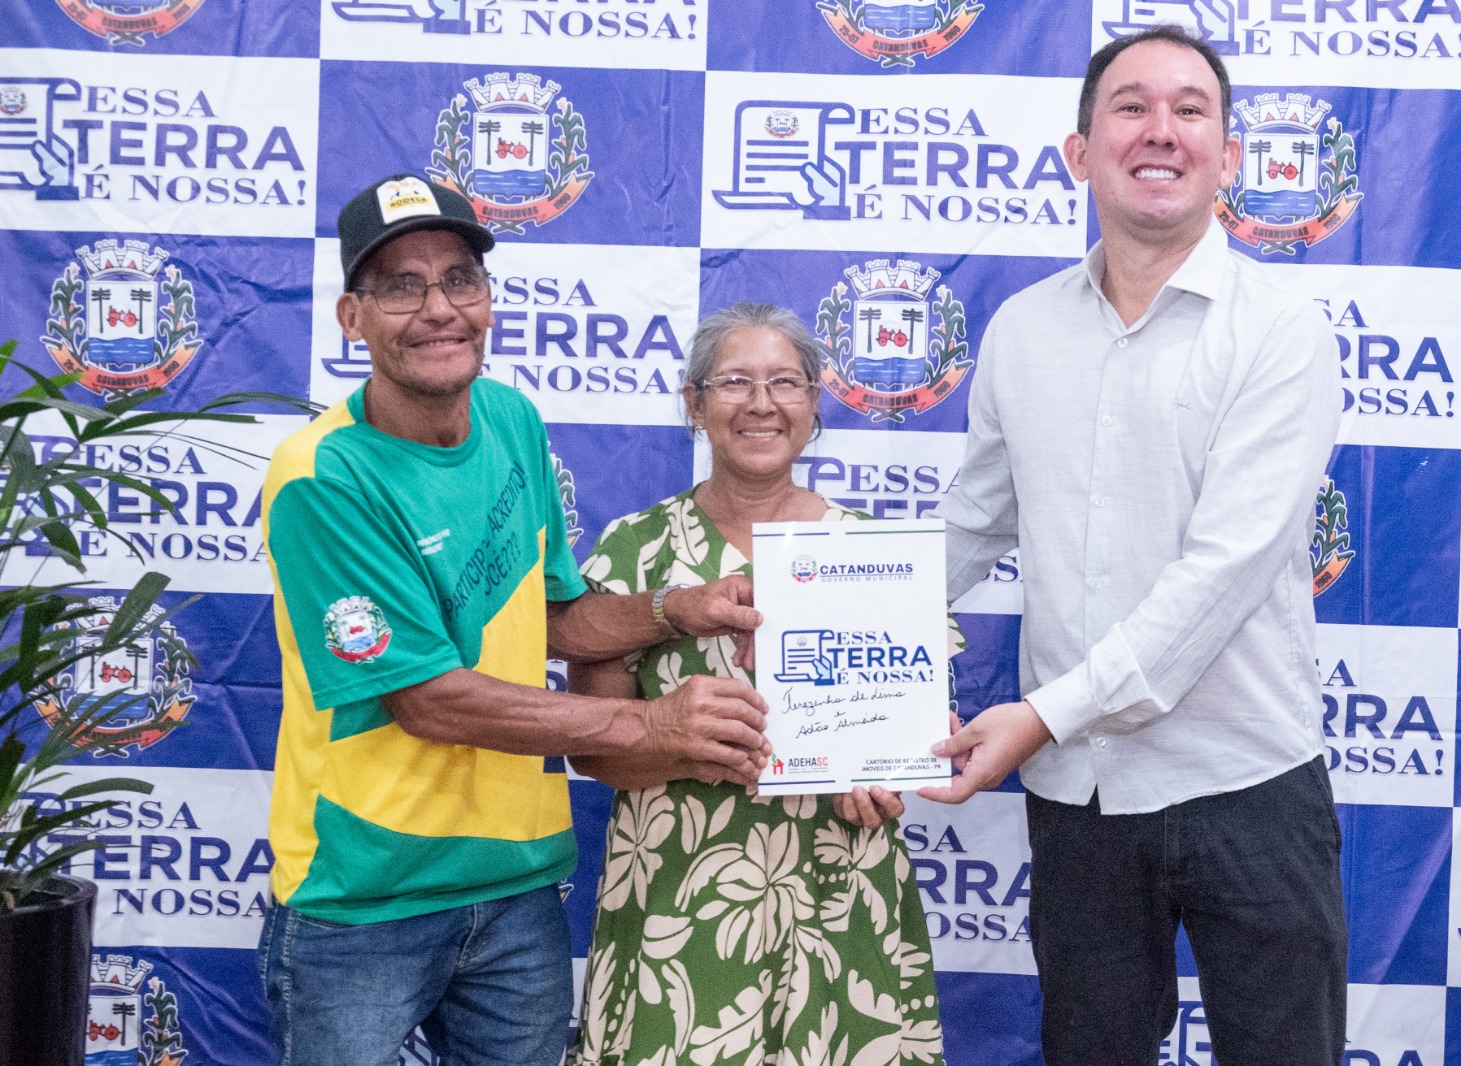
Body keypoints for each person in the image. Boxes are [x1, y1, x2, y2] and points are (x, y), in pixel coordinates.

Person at [258, 174, 770, 1066]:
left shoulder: (510, 418)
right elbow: (428, 698)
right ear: (351, 317)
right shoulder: (322, 476)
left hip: (517, 880)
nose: (438, 309)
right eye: (401, 286)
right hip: (365, 893)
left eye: (459, 279)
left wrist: (674, 609)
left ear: (488, 300)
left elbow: (554, 616)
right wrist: (649, 725)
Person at [918, 26, 1347, 1066]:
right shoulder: (1022, 330)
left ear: (1227, 158)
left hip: (1247, 776)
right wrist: (828, 626)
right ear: (1080, 152)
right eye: (1131, 107)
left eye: (1190, 110)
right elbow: (972, 521)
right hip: (1083, 795)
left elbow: (1223, 575)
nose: (1161, 130)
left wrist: (1041, 715)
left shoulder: (1281, 331)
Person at [567, 303, 956, 1066]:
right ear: (694, 403)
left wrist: (889, 774)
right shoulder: (635, 551)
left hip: (843, 881)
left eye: (784, 382)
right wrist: (682, 745)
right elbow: (593, 749)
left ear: (813, 403)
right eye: (734, 382)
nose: (761, 403)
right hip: (680, 894)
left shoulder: (878, 554)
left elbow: (921, 726)